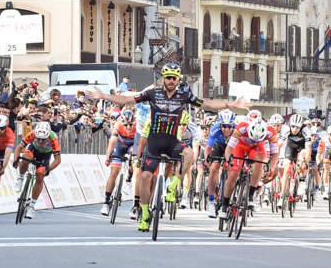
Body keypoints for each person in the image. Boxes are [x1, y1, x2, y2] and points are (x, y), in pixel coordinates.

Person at [95, 63, 242, 231]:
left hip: (172, 141)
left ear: (178, 79)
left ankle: (173, 186)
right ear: (163, 78)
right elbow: (127, 100)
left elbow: (206, 103)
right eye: (169, 77)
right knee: (144, 177)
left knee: (189, 154)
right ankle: (144, 212)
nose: (172, 81)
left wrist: (230, 105)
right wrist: (105, 96)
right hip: (154, 141)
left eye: (174, 78)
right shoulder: (152, 93)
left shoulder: (184, 95)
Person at [14, 121, 62, 219]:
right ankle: (20, 177)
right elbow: (19, 148)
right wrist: (16, 159)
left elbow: (58, 160)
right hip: (33, 150)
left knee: (40, 175)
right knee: (25, 158)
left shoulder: (53, 139)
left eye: (43, 139)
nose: (40, 141)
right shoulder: (32, 134)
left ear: (47, 136)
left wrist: (48, 169)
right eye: (38, 138)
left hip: (45, 155)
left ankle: (31, 206)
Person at [101, 107, 136, 216]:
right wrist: (107, 157)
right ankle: (106, 202)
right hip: (120, 145)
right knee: (114, 172)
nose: (129, 127)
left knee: (134, 159)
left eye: (131, 125)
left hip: (132, 145)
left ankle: (129, 177)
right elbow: (112, 142)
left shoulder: (138, 126)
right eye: (126, 125)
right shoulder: (118, 125)